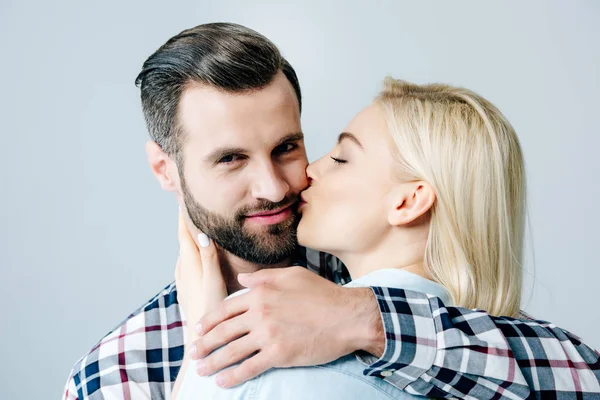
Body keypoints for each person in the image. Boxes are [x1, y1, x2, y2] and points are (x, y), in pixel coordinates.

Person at [63, 22, 600, 400]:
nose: (275, 187)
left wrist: (366, 320)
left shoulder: (373, 267)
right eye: (231, 159)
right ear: (165, 170)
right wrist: (208, 347)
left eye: (287, 148)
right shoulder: (116, 374)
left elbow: (583, 376)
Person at [173, 77, 600, 399]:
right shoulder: (488, 352)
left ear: (409, 201)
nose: (310, 172)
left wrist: (206, 340)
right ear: (166, 168)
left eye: (341, 158)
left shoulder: (261, 362)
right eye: (230, 158)